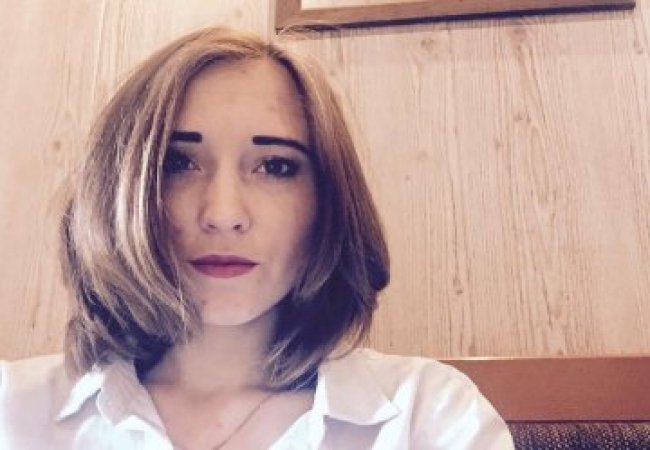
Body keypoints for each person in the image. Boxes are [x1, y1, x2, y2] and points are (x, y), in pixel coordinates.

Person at [0, 27, 514, 449]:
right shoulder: (14, 412)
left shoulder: (427, 417)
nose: (224, 215)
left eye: (275, 166)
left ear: (328, 200)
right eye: (178, 163)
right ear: (119, 189)